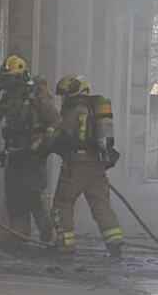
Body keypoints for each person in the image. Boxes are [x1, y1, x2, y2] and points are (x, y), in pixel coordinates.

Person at [0, 56, 61, 242]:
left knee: (32, 196)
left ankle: (46, 231)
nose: (8, 84)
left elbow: (55, 122)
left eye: (11, 79)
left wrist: (41, 143)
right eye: (6, 79)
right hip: (14, 155)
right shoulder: (9, 98)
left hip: (33, 157)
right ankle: (20, 238)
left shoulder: (36, 98)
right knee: (15, 198)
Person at [52, 74, 124, 259]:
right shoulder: (94, 109)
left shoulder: (74, 110)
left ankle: (65, 247)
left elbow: (65, 136)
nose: (63, 99)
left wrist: (47, 143)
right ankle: (115, 244)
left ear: (74, 91)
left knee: (63, 204)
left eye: (65, 94)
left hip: (76, 165)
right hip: (96, 165)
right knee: (101, 204)